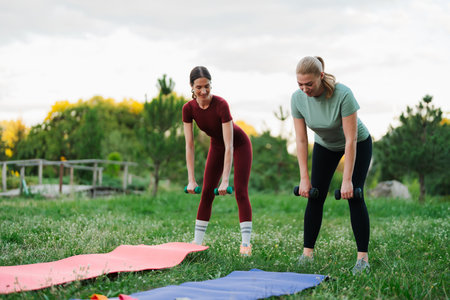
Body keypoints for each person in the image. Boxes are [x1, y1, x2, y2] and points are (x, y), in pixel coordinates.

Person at [291, 56, 372, 274]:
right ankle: (307, 254)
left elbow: (350, 140)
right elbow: (300, 140)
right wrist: (304, 179)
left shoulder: (342, 94)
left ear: (321, 76)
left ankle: (362, 259)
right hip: (325, 145)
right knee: (315, 196)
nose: (305, 89)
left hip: (357, 142)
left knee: (355, 195)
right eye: (300, 84)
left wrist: (347, 181)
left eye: (309, 84)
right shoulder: (297, 99)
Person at [183, 66, 253, 256]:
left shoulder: (221, 104)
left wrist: (225, 180)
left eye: (207, 86)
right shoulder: (188, 109)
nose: (203, 91)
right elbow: (189, 146)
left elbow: (229, 145)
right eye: (198, 87)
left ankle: (246, 244)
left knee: (240, 191)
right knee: (206, 192)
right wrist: (191, 179)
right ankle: (196, 244)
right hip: (217, 145)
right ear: (191, 87)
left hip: (238, 144)